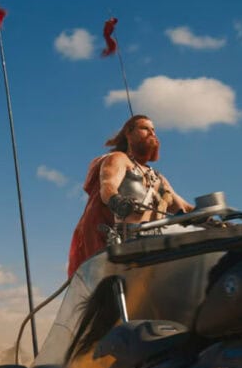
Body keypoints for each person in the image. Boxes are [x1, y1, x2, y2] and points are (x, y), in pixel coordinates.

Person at [67, 114, 195, 276]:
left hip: (157, 244)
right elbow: (108, 186)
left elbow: (182, 207)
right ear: (129, 133)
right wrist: (117, 201)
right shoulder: (119, 159)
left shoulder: (158, 177)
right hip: (128, 243)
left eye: (154, 130)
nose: (152, 133)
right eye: (145, 128)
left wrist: (210, 215)